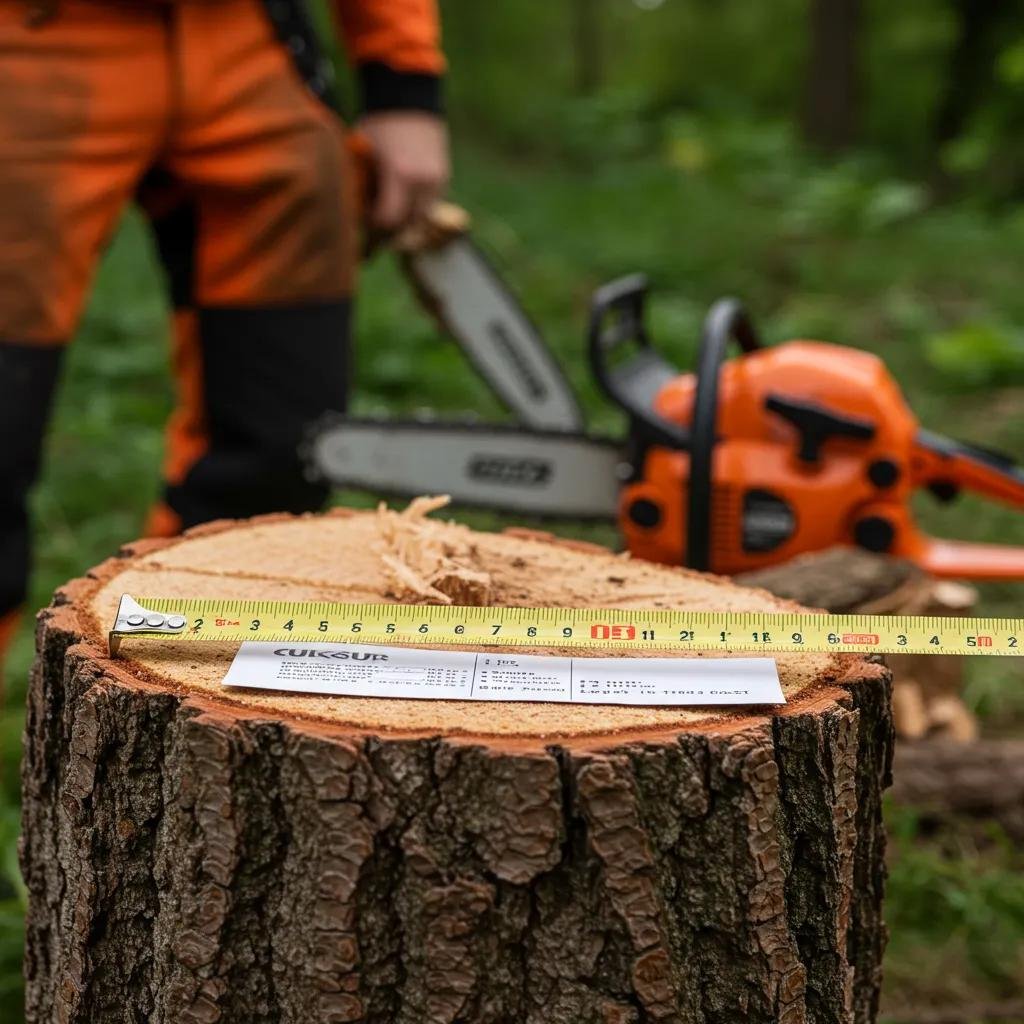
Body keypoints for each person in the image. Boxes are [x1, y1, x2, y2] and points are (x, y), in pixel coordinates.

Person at [0, 0, 449, 672]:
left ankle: (188, 729)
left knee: (277, 462)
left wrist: (401, 76)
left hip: (250, 39)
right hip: (31, 39)